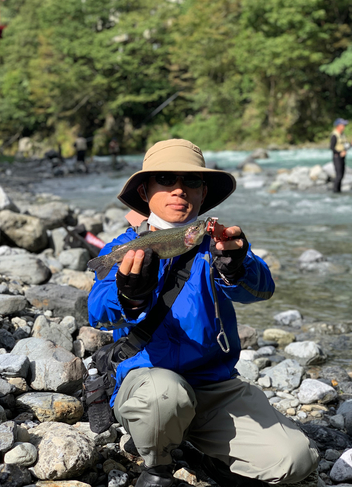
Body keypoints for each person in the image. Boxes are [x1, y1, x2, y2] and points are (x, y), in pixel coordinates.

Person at [88, 139, 319, 487]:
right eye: (165, 178)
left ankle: (208, 454)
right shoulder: (123, 248)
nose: (179, 189)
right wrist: (129, 295)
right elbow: (97, 314)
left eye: (191, 181)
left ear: (203, 191)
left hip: (215, 387)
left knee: (295, 460)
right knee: (163, 396)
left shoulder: (219, 243)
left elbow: (262, 289)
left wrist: (237, 266)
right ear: (145, 190)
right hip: (150, 381)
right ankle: (158, 466)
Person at [330, 118, 352, 193]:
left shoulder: (342, 135)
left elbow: (345, 147)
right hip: (337, 157)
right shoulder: (334, 135)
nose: (344, 126)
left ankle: (339, 191)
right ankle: (335, 191)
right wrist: (339, 153)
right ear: (338, 125)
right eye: (343, 125)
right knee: (338, 176)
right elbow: (331, 147)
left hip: (342, 157)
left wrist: (351, 145)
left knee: (341, 175)